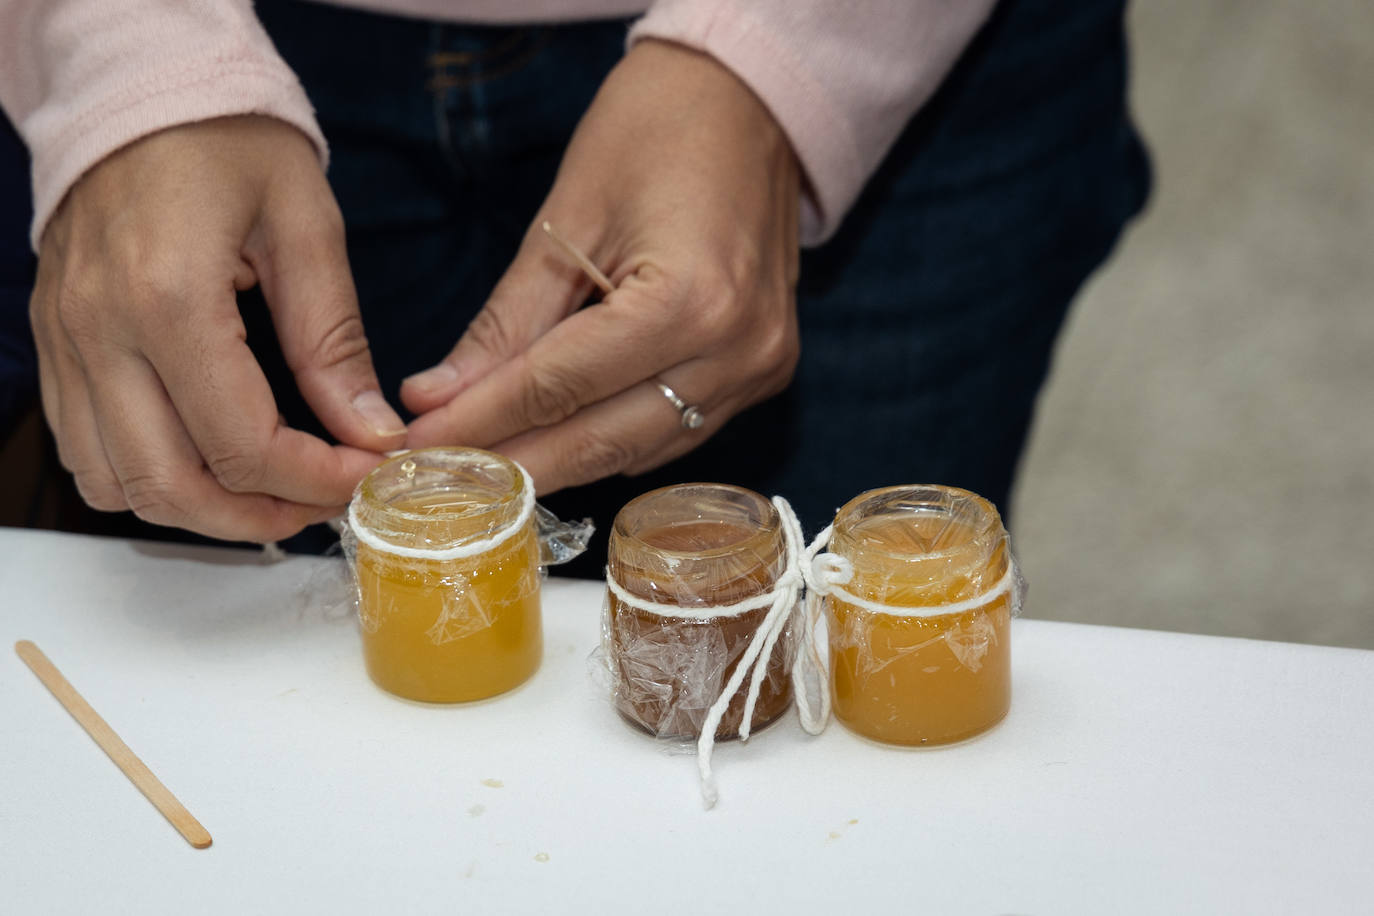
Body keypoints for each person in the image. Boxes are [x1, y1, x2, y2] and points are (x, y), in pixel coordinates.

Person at [0, 0, 1149, 569]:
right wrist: (114, 52)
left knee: (836, 707)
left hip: (921, 68)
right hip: (188, 62)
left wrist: (791, 46)